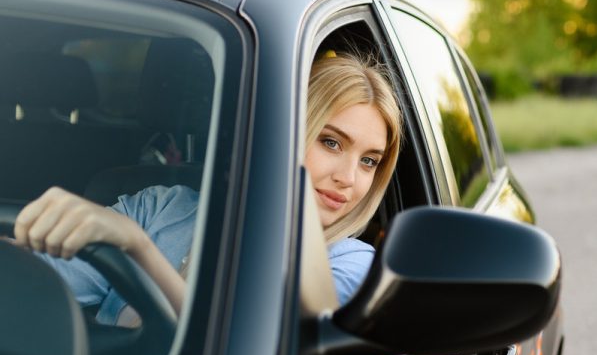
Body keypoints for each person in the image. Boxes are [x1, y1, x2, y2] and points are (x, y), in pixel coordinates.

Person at [13, 51, 402, 323]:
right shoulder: (163, 209)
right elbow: (28, 285)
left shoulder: (352, 266)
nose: (349, 178)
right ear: (283, 134)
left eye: (369, 161)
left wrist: (138, 246)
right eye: (331, 142)